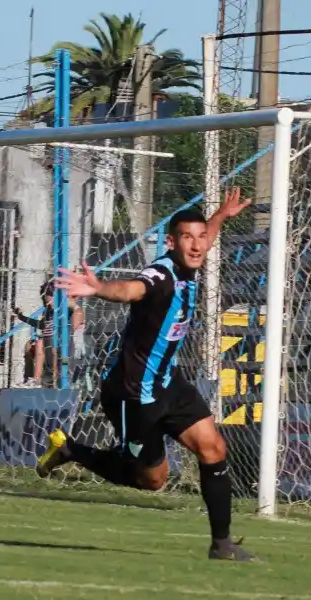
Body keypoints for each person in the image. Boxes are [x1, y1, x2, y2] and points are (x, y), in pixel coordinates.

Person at [43, 188, 257, 562]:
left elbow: (205, 235)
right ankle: (72, 450)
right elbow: (131, 290)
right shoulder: (160, 274)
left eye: (200, 238)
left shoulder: (194, 257)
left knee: (213, 449)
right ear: (171, 242)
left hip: (168, 383)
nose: (196, 245)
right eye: (186, 238)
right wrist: (98, 288)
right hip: (134, 395)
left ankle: (222, 546)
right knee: (153, 480)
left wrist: (221, 215)